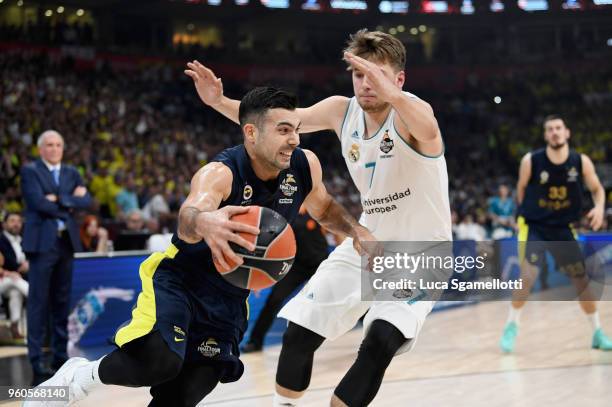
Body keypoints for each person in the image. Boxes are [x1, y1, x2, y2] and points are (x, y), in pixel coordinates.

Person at [31, 87, 375, 407]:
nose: (294, 139)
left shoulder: (304, 165)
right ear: (251, 133)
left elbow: (324, 206)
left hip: (228, 298)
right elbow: (190, 212)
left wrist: (355, 229)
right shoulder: (220, 172)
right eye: (284, 130)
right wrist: (205, 222)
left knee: (191, 388)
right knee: (160, 360)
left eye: (296, 129)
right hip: (181, 281)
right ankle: (79, 377)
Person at [186, 28, 452, 407]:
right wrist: (218, 102)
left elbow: (429, 126)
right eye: (359, 74)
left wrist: (391, 93)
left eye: (376, 74)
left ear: (399, 79)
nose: (365, 83)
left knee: (378, 342)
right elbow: (274, 123)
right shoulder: (342, 111)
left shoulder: (411, 115)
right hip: (367, 242)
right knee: (299, 332)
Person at [500, 114, 612, 353]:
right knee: (527, 276)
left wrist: (600, 207)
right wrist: (521, 217)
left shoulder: (581, 162)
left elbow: (597, 189)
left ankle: (597, 332)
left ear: (567, 132)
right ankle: (511, 326)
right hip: (535, 226)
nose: (555, 132)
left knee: (581, 281)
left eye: (559, 128)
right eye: (550, 129)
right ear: (545, 135)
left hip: (563, 228)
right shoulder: (531, 161)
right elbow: (520, 189)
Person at [20, 130, 92, 385]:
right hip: (40, 245)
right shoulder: (30, 171)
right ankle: (36, 359)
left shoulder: (72, 171)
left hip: (65, 244)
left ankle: (61, 357)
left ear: (63, 148)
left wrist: (60, 199)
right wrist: (70, 201)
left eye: (58, 145)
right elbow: (38, 203)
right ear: (41, 149)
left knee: (62, 302)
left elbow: (88, 202)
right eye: (49, 145)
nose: (54, 149)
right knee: (38, 303)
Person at [242, 205, 329, 353]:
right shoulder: (284, 214)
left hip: (321, 263)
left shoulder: (315, 209)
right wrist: (256, 277)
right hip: (296, 266)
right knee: (274, 299)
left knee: (342, 290)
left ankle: (368, 321)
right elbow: (265, 243)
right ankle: (255, 341)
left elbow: (333, 231)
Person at [0, 212, 29, 340]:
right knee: (15, 281)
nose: (16, 224)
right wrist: (7, 272)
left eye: (19, 221)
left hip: (13, 280)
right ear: (4, 224)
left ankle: (14, 327)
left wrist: (28, 264)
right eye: (12, 221)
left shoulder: (24, 240)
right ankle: (34, 296)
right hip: (3, 278)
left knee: (15, 292)